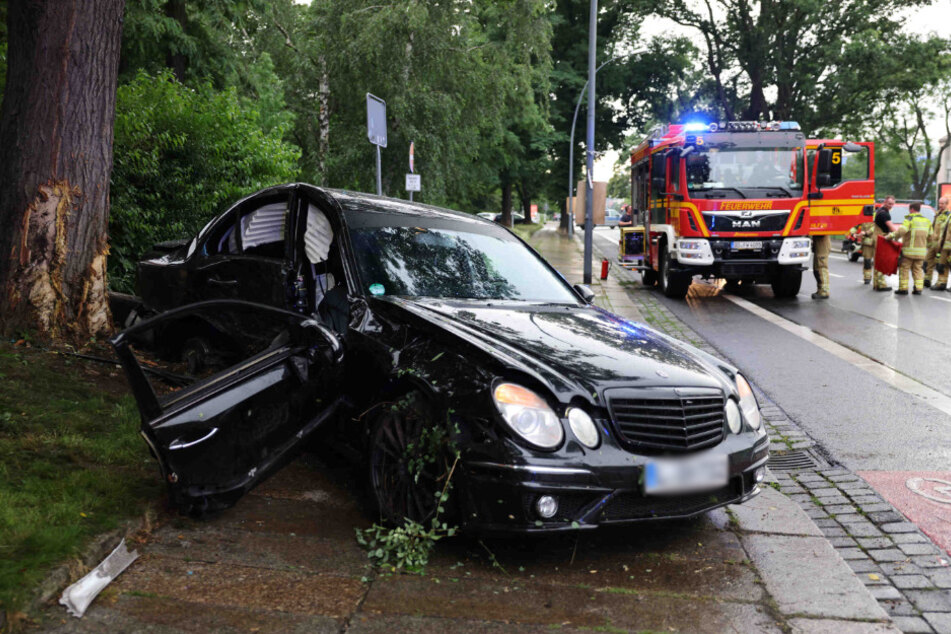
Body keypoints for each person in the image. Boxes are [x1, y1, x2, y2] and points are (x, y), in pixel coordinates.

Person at [885, 201, 931, 295]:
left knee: (904, 269)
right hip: (921, 252)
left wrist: (890, 237)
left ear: (912, 209)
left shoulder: (910, 220)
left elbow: (901, 231)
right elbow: (931, 237)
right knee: (918, 270)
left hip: (909, 252)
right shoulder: (927, 221)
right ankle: (918, 289)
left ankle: (903, 289)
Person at [871, 196, 899, 292]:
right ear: (885, 202)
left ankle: (876, 283)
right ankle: (881, 284)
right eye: (889, 203)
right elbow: (892, 228)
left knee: (877, 261)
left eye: (892, 204)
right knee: (881, 262)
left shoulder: (880, 211)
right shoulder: (885, 214)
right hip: (881, 238)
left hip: (877, 237)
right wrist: (899, 234)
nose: (891, 206)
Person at [924, 196, 950, 287]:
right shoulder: (937, 214)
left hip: (942, 244)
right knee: (927, 261)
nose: (940, 205)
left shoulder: (948, 216)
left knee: (941, 264)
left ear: (947, 204)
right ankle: (927, 280)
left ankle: (941, 283)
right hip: (933, 243)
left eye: (942, 203)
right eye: (939, 203)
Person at [851, 220, 877, 284]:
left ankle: (878, 279)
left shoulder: (877, 214)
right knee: (867, 261)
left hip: (876, 242)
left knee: (878, 262)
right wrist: (853, 233)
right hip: (867, 244)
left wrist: (866, 232)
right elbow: (854, 226)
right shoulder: (863, 217)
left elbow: (875, 227)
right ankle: (867, 278)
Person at [811, 233, 831, 299]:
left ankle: (824, 291)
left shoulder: (822, 224)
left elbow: (821, 232)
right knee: (817, 270)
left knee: (822, 268)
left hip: (822, 246)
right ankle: (820, 290)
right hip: (819, 246)